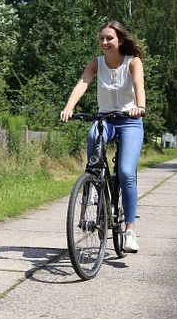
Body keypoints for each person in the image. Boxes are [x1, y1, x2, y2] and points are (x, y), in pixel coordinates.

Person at [59, 21, 146, 253]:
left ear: (120, 40)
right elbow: (82, 83)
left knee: (126, 173)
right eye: (102, 39)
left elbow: (139, 85)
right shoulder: (97, 63)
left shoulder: (132, 62)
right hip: (105, 119)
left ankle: (130, 231)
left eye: (109, 38)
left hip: (130, 120)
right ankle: (95, 184)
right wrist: (69, 107)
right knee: (92, 137)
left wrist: (140, 106)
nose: (105, 42)